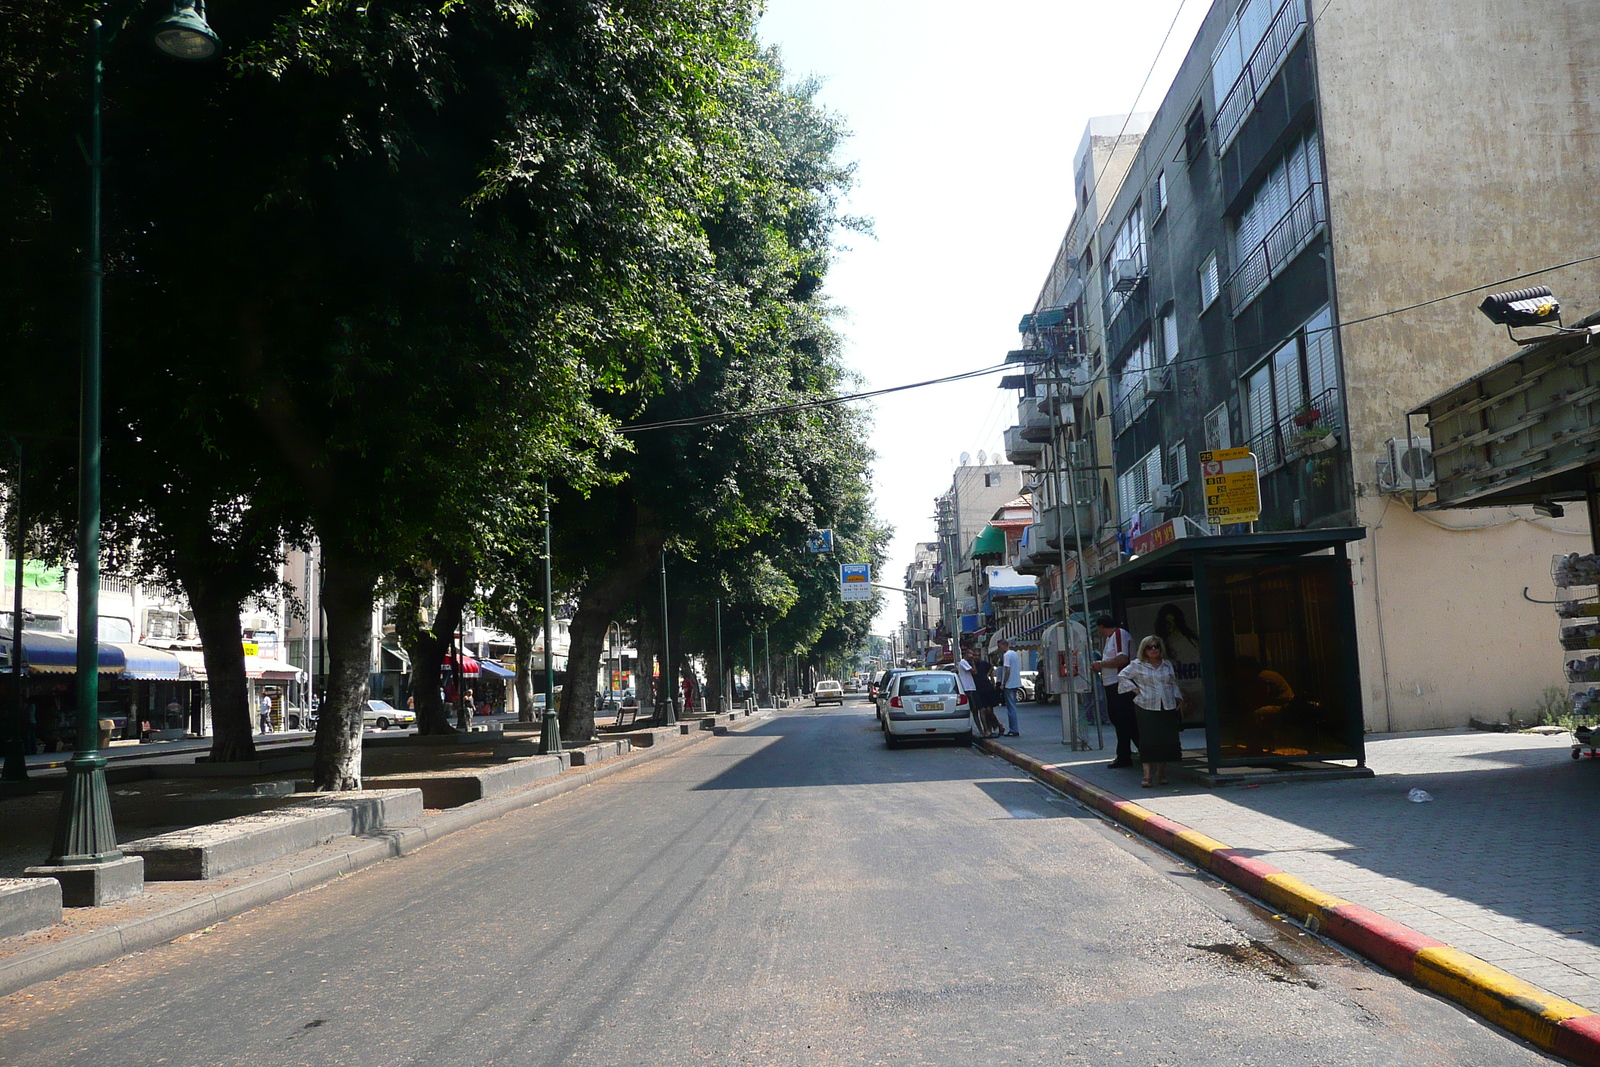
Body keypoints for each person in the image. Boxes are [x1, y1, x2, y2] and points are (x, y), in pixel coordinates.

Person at [1118, 635, 1186, 787]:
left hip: (1166, 705)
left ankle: (1161, 773)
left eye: (1156, 646)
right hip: (1146, 706)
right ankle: (1147, 775)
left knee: (1164, 741)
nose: (1154, 649)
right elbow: (1122, 676)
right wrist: (1134, 689)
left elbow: (1172, 683)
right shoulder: (1138, 665)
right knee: (1148, 740)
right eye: (1150, 647)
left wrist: (1178, 698)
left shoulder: (1166, 664)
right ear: (1144, 649)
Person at [1091, 615, 1137, 769]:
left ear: (1102, 626)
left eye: (1099, 629)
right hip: (1112, 684)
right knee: (1120, 720)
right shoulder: (1110, 639)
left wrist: (1101, 664)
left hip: (1120, 683)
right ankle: (1125, 754)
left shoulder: (1119, 635)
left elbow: (1122, 658)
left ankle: (1128, 754)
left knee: (1124, 719)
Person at [996, 638, 1022, 737]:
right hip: (1015, 682)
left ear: (1004, 645)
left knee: (1011, 708)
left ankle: (1013, 729)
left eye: (999, 646)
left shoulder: (1006, 655)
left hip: (1009, 684)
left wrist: (1003, 683)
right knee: (1013, 706)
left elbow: (1007, 670)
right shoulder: (1014, 654)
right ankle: (1014, 729)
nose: (999, 649)